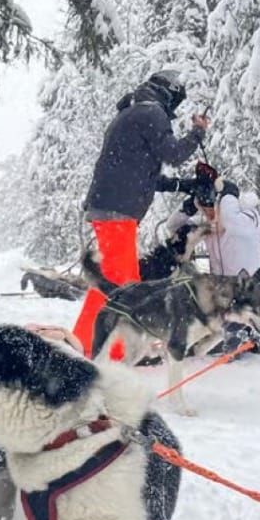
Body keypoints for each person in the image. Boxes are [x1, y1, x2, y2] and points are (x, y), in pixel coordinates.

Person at [72, 69, 208, 354]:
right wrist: (198, 132)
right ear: (169, 93)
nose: (175, 108)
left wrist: (183, 185)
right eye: (177, 101)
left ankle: (93, 342)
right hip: (116, 210)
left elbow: (141, 175)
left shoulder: (133, 113)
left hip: (110, 206)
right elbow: (174, 154)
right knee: (121, 282)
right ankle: (100, 346)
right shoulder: (151, 113)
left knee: (114, 278)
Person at [169, 173, 260, 353]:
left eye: (212, 208)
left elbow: (232, 223)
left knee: (222, 345)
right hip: (220, 298)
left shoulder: (248, 217)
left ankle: (247, 336)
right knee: (189, 338)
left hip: (247, 297)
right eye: (204, 210)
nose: (209, 214)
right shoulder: (209, 225)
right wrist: (190, 205)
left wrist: (228, 194)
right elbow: (174, 226)